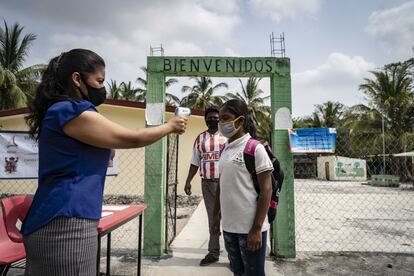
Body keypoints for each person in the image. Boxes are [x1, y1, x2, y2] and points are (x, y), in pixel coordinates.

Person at [22, 48, 187, 276]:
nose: (102, 87)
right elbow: (133, 137)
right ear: (77, 79)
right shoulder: (69, 110)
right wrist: (170, 126)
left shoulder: (69, 112)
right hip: (65, 221)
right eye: (99, 80)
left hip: (72, 217)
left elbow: (105, 150)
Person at [211, 99, 273, 276]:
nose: (221, 123)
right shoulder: (225, 149)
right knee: (238, 272)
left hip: (250, 229)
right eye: (220, 119)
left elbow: (266, 190)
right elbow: (221, 187)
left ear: (240, 120)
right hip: (230, 227)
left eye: (225, 118)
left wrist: (256, 229)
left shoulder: (255, 148)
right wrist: (216, 217)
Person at [184, 106, 227, 266]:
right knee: (213, 218)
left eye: (216, 118)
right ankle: (213, 252)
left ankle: (234, 253)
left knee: (229, 218)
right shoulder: (200, 138)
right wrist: (188, 180)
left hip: (226, 183)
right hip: (207, 184)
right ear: (205, 119)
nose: (213, 120)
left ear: (220, 119)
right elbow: (195, 162)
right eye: (210, 118)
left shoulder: (227, 137)